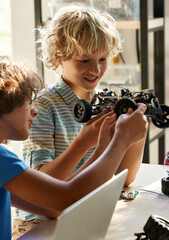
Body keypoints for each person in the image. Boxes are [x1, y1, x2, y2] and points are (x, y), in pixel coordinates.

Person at [13, 4, 147, 238]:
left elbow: (126, 177)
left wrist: (135, 135)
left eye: (103, 59)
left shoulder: (105, 102)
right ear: (58, 57)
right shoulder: (43, 107)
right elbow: (41, 183)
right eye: (84, 60)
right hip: (39, 223)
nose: (95, 69)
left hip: (84, 210)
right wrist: (84, 143)